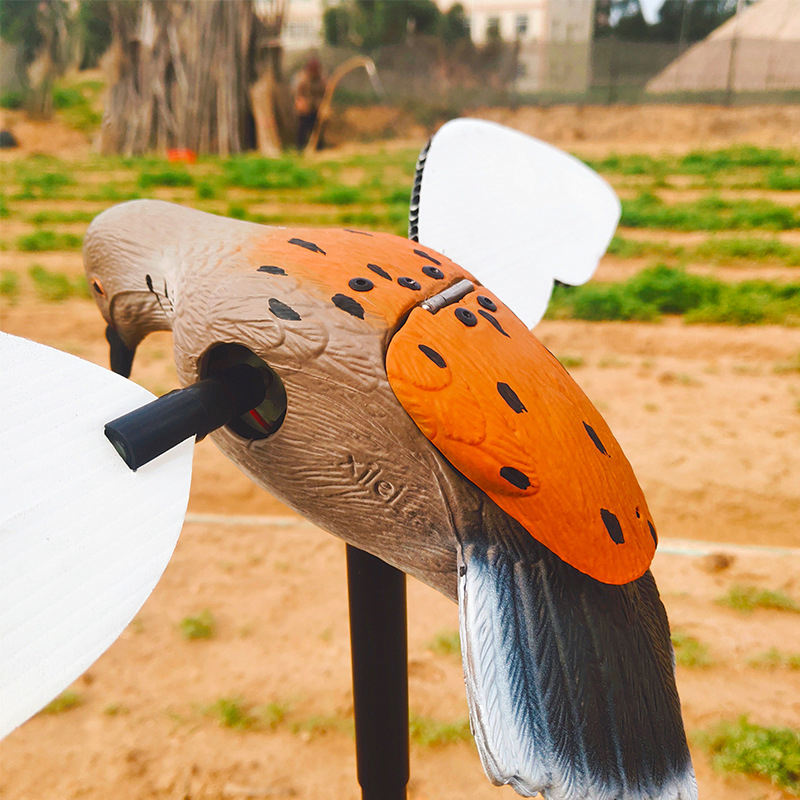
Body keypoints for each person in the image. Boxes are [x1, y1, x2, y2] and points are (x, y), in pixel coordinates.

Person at [294, 57, 326, 150]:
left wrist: (322, 105)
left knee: (317, 128)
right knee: (303, 128)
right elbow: (298, 94)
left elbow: (324, 93)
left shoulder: (321, 80)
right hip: (305, 108)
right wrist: (301, 103)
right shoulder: (303, 79)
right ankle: (300, 147)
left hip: (316, 108)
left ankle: (319, 147)